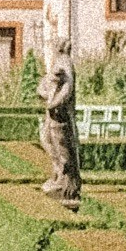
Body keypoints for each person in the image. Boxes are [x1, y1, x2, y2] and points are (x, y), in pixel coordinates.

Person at [38, 39, 83, 206]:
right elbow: (43, 85)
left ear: (61, 47)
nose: (53, 46)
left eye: (55, 44)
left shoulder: (65, 62)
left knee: (61, 146)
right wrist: (44, 93)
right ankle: (58, 173)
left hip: (60, 115)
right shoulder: (58, 61)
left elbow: (67, 89)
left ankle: (65, 180)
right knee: (46, 140)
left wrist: (54, 103)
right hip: (53, 114)